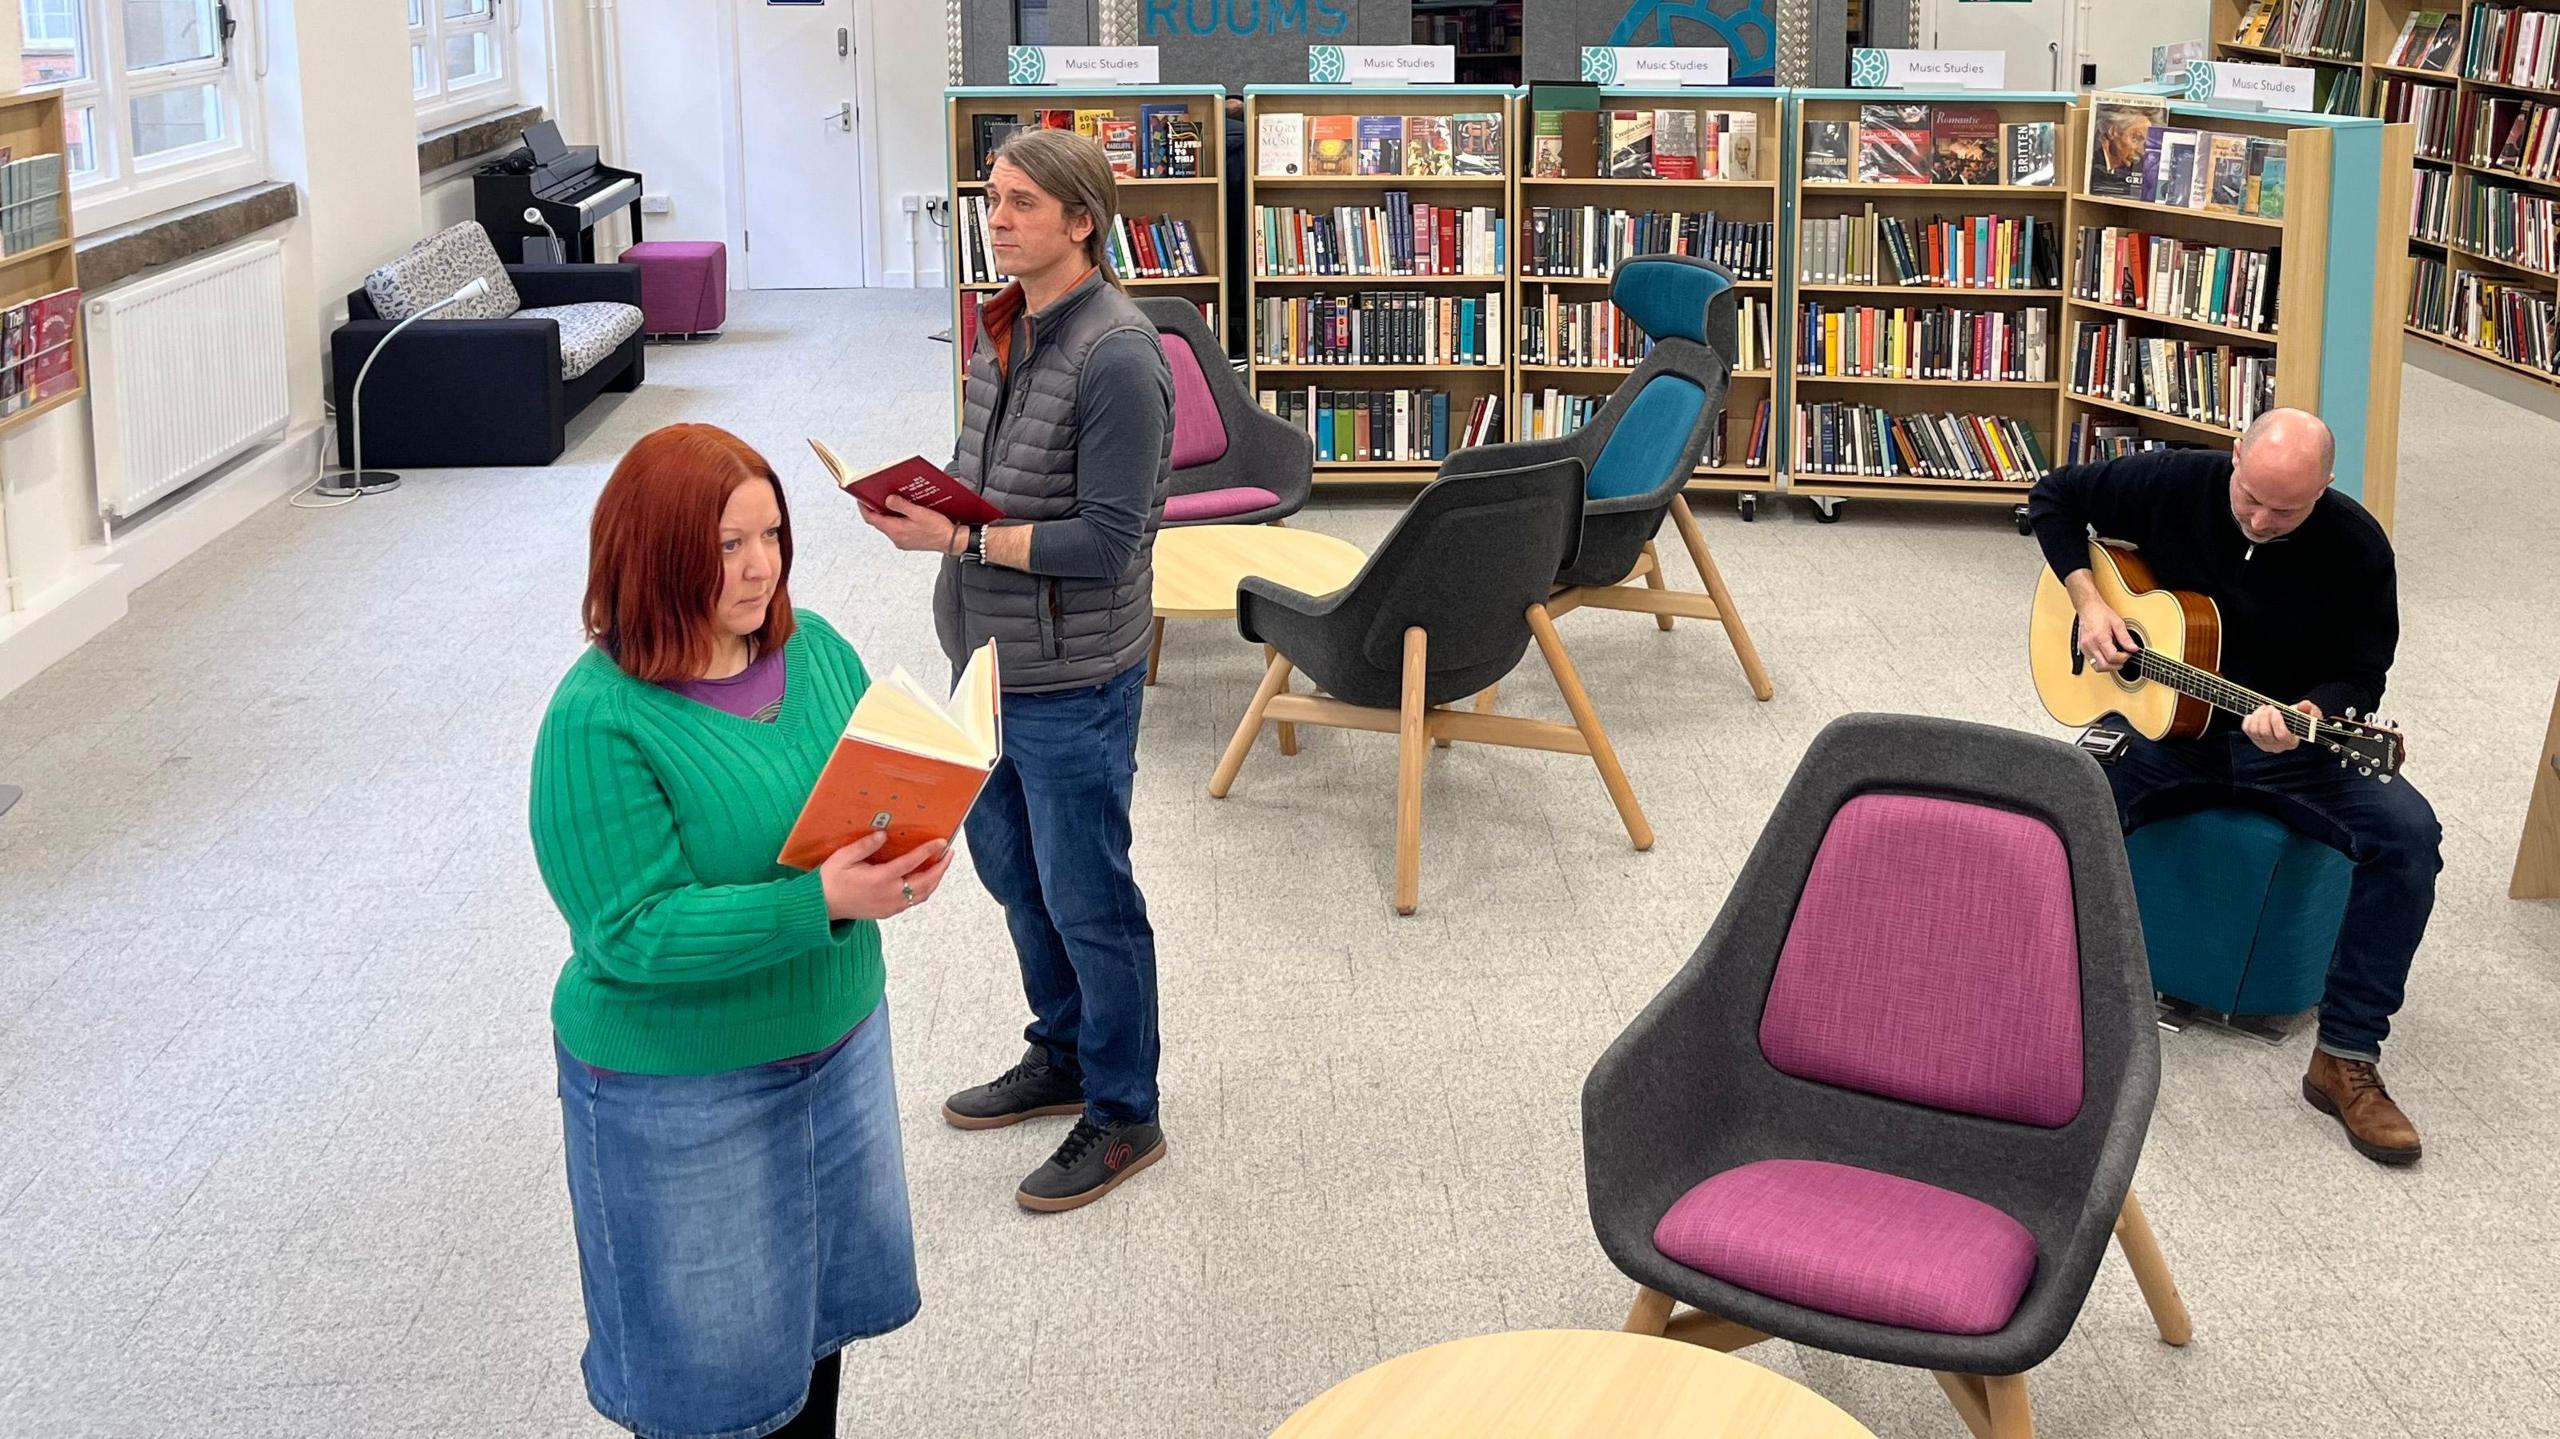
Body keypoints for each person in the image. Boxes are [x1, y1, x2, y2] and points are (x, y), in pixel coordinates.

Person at [530, 424, 956, 1437]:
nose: (761, 565)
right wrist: (819, 902)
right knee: (711, 1387)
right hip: (683, 1090)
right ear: (655, 552)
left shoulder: (817, 652)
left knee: (813, 1342)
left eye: (770, 534)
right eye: (726, 543)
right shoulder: (598, 721)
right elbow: (628, 931)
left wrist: (905, 854)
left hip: (836, 1048)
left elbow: (871, 800)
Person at [859, 126, 1174, 1212]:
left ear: (1080, 222)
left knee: (1091, 896)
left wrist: (959, 543)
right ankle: (1065, 1050)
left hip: (1073, 673)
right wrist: (926, 502)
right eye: (991, 199)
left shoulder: (1119, 355)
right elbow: (979, 472)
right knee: (1017, 877)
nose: (995, 219)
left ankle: (1126, 1110)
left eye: (1021, 204)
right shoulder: (1003, 325)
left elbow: (1110, 541)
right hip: (987, 661)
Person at [2026, 407, 2441, 1166]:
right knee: (2055, 809)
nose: (2260, 520)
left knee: (2410, 837)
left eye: (2287, 510)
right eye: (2249, 496)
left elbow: (2363, 670)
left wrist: (2321, 710)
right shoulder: (2171, 480)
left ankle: (2344, 1056)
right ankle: (2039, 1001)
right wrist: (2089, 601)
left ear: (2326, 489)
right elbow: (2054, 496)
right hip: (2164, 735)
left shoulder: (2355, 546)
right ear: (2236, 455)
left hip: (2289, 751)